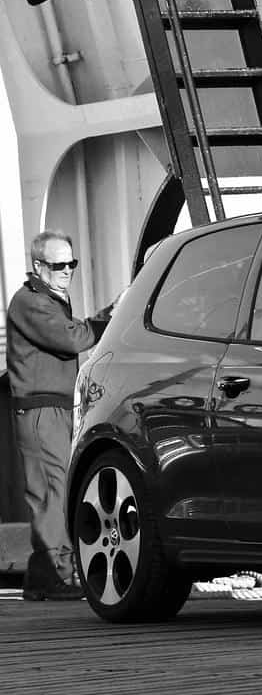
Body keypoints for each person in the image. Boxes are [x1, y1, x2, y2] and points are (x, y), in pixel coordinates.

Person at [6, 229, 115, 600]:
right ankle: (55, 573)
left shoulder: (49, 299)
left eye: (71, 263)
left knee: (54, 489)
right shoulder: (31, 302)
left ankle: (43, 578)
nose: (67, 270)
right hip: (41, 411)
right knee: (52, 492)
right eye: (58, 264)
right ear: (38, 266)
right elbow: (71, 339)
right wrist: (110, 318)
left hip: (51, 408)